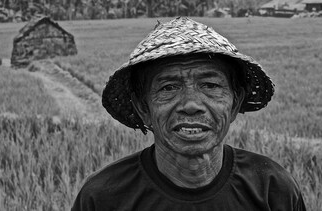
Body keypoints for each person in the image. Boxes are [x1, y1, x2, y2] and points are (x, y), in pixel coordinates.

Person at [71, 17, 306, 210]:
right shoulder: (102, 198)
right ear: (144, 108)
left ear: (235, 104)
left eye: (210, 85)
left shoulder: (272, 188)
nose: (191, 104)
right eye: (169, 87)